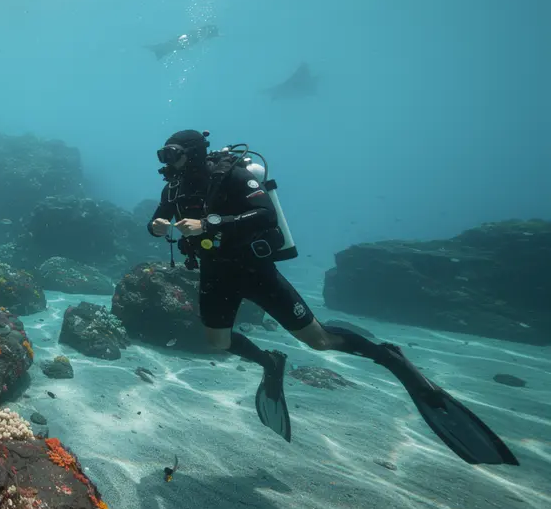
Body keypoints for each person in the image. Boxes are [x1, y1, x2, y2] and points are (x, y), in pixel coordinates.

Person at [147, 129, 518, 466]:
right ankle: (269, 363)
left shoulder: (232, 176)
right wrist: (157, 225)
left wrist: (212, 224)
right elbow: (156, 221)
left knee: (319, 341)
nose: (168, 162)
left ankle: (392, 358)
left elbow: (265, 216)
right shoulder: (174, 190)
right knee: (217, 343)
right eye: (164, 155)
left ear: (194, 153)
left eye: (173, 153)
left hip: (255, 272)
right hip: (215, 273)